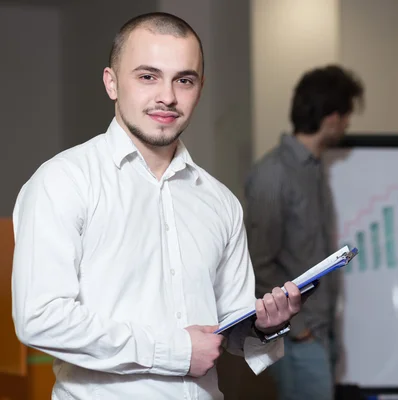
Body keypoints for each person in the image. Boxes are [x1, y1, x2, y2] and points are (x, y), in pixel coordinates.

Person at [11, 12, 306, 400]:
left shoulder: (220, 202)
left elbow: (229, 329)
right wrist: (175, 352)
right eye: (148, 76)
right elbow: (40, 318)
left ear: (199, 89)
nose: (167, 96)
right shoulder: (64, 181)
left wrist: (265, 327)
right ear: (112, 83)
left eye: (184, 80)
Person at [244, 65, 364, 400]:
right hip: (298, 338)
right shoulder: (273, 175)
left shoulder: (314, 168)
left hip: (321, 331)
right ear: (331, 119)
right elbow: (258, 264)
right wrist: (300, 331)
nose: (347, 126)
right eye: (346, 116)